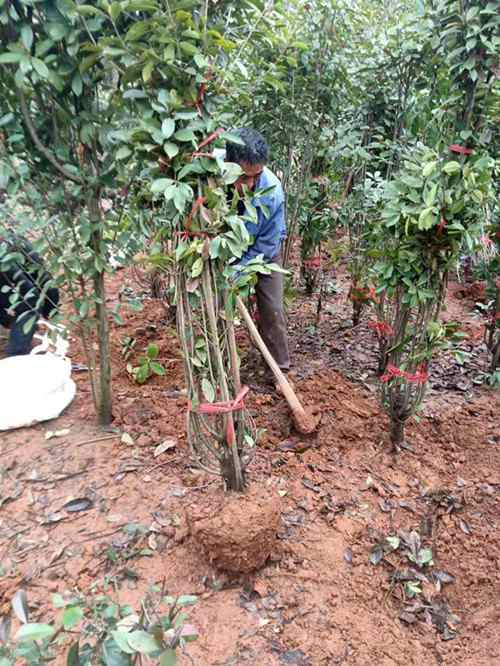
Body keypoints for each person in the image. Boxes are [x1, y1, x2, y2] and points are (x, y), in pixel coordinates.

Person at [226, 128, 290, 376]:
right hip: (223, 250)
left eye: (257, 176)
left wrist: (238, 271)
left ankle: (279, 370)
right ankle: (222, 366)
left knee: (272, 308)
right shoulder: (209, 175)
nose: (251, 185)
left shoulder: (272, 193)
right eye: (243, 178)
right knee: (219, 310)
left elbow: (266, 246)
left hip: (263, 250)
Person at [0, 231, 59, 356]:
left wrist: (51, 312)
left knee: (16, 354)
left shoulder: (10, 261)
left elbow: (36, 291)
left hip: (26, 298)